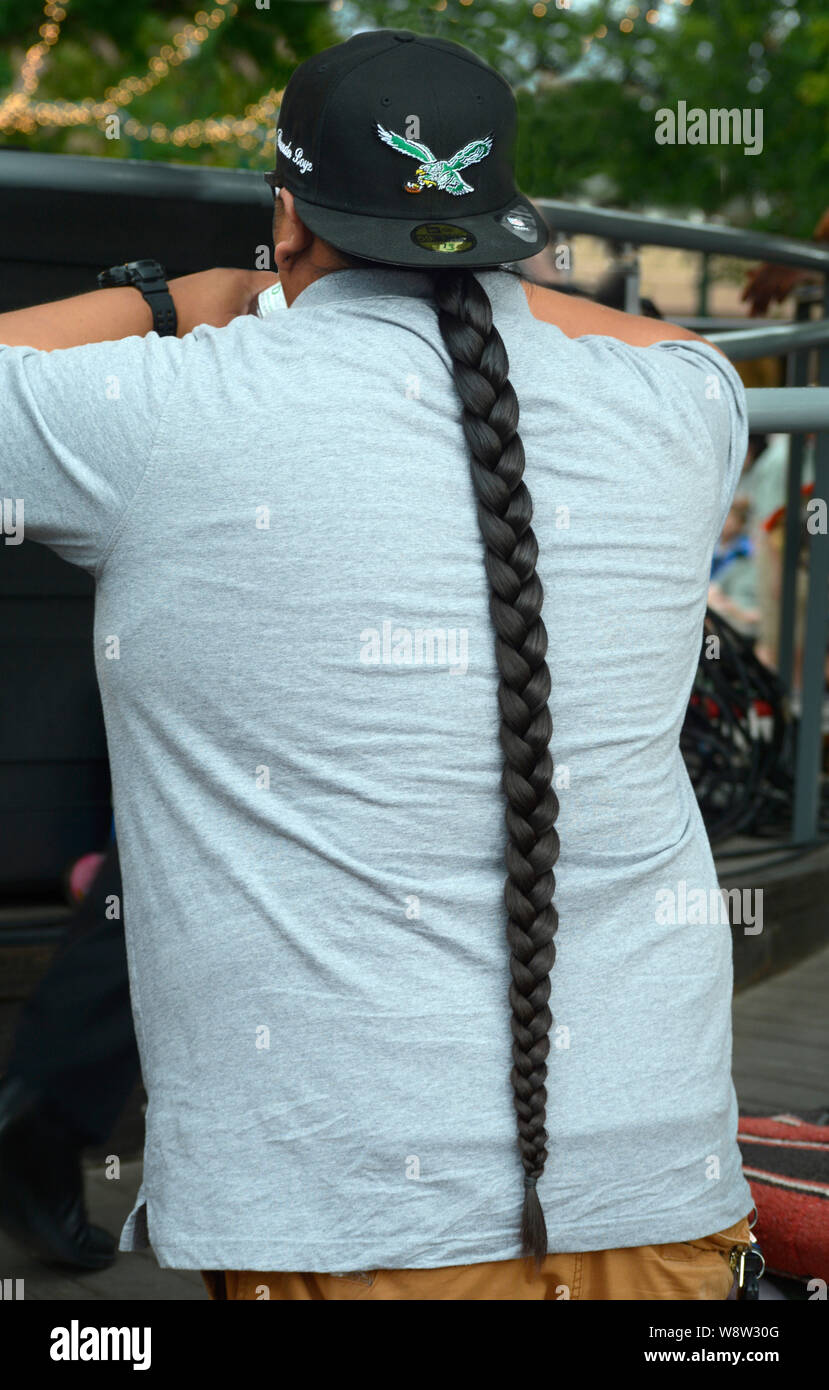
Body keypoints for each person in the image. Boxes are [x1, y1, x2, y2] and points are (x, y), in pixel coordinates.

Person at [0, 28, 754, 1301]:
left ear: (286, 219)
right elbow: (657, 339)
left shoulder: (167, 411)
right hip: (664, 1204)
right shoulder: (687, 416)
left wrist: (187, 296)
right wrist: (475, 270)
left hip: (342, 1227)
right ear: (510, 223)